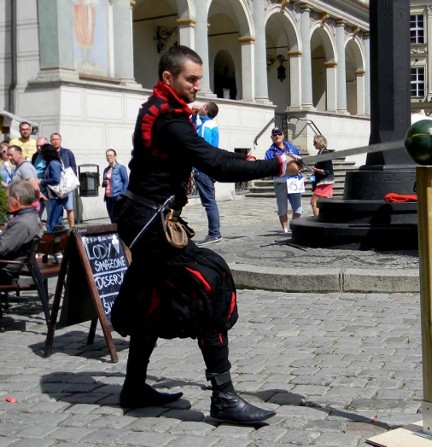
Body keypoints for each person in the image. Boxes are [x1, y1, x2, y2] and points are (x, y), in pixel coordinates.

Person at [110, 45, 300, 425]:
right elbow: (215, 163)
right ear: (169, 79)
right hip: (151, 223)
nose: (199, 86)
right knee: (210, 280)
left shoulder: (165, 109)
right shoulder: (168, 119)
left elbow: (212, 157)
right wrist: (276, 164)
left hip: (142, 216)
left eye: (199, 79)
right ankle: (224, 397)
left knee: (151, 296)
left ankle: (133, 386)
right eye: (191, 79)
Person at [0, 181, 43, 285]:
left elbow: (1, 249)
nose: (6, 201)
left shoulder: (22, 223)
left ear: (17, 199)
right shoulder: (33, 217)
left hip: (6, 271)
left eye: (8, 198)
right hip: (12, 266)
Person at [264, 127, 303, 233]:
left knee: (298, 207)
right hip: (280, 181)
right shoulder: (270, 152)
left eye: (279, 134)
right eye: (274, 134)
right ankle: (285, 230)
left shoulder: (292, 147)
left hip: (294, 180)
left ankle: (294, 228)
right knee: (282, 208)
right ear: (271, 137)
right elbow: (268, 167)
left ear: (283, 135)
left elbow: (301, 162)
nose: (277, 136)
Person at [194, 101, 222, 243]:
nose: (200, 107)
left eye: (203, 106)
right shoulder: (209, 124)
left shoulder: (206, 126)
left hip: (203, 168)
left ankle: (214, 233)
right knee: (210, 201)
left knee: (209, 202)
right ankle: (215, 232)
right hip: (209, 167)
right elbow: (197, 128)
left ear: (206, 111)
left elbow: (201, 146)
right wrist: (194, 116)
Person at [50, 133, 77, 227]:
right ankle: (58, 228)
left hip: (67, 185)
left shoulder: (67, 152)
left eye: (57, 139)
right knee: (57, 207)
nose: (55, 141)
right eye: (53, 139)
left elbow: (73, 166)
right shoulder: (49, 154)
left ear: (61, 140)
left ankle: (72, 229)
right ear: (50, 141)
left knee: (69, 208)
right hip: (55, 186)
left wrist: (72, 180)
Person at [39, 144, 66, 232]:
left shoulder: (53, 163)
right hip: (55, 196)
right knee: (56, 223)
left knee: (51, 223)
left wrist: (42, 181)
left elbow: (56, 179)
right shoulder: (53, 162)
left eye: (42, 152)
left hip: (56, 196)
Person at [309, 134, 334, 217]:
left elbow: (327, 171)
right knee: (325, 203)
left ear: (320, 142)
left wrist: (315, 169)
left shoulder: (324, 154)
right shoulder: (321, 153)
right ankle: (325, 219)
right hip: (323, 182)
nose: (313, 144)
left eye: (315, 143)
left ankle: (317, 221)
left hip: (324, 182)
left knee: (314, 202)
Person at [102, 149, 129, 223]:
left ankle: (119, 233)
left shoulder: (120, 168)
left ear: (115, 156)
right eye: (107, 156)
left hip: (116, 196)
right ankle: (115, 233)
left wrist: (122, 194)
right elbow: (105, 183)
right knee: (111, 217)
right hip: (108, 197)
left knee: (116, 218)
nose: (109, 157)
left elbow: (126, 181)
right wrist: (104, 183)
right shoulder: (106, 170)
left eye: (111, 155)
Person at [32, 137, 49, 218]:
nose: (39, 148)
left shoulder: (50, 156)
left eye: (41, 146)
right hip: (37, 189)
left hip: (48, 189)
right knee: (36, 213)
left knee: (51, 213)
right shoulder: (35, 156)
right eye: (37, 146)